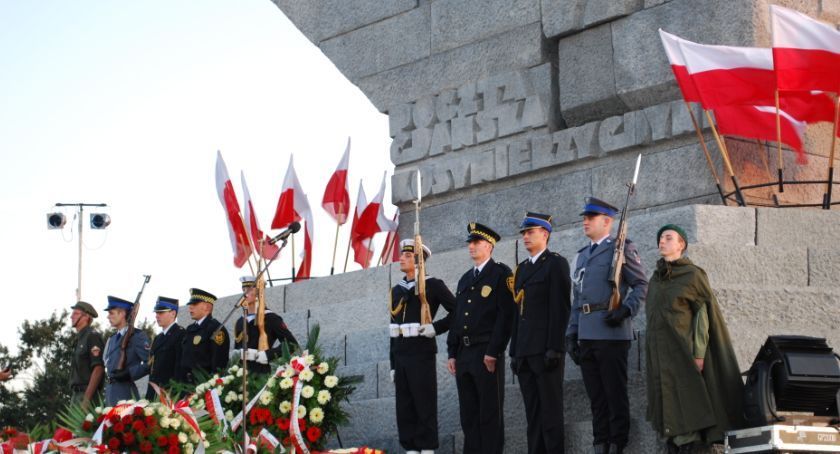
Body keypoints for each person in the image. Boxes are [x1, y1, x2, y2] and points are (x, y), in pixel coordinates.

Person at [645, 224, 743, 453]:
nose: (662, 241)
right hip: (660, 355)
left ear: (681, 245)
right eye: (660, 238)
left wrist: (699, 353)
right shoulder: (655, 279)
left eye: (668, 238)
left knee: (689, 405)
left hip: (684, 352)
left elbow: (703, 316)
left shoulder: (693, 275)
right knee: (668, 405)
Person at [565, 197, 648, 454]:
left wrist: (625, 310)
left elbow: (641, 284)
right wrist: (572, 333)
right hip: (587, 333)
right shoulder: (582, 256)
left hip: (611, 332)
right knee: (596, 398)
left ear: (607, 221)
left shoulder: (621, 248)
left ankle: (617, 443)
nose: (585, 222)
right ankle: (600, 442)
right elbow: (578, 297)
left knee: (614, 394)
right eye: (585, 218)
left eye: (591, 217)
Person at [446, 222, 515, 454]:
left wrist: (494, 350)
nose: (471, 247)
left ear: (489, 245)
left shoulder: (500, 273)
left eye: (476, 243)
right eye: (470, 243)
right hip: (465, 354)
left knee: (489, 414)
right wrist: (452, 352)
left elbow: (506, 316)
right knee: (469, 415)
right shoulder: (465, 279)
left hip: (486, 351)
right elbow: (457, 318)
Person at [509, 212, 571, 454]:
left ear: (545, 234)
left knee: (551, 414)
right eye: (524, 233)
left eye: (530, 232)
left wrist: (555, 347)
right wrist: (514, 351)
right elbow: (517, 313)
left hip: (545, 352)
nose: (525, 237)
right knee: (532, 415)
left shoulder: (555, 264)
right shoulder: (522, 269)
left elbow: (560, 308)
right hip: (525, 352)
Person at [389, 239, 455, 454]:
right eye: (402, 255)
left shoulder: (432, 284)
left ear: (420, 261)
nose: (402, 258)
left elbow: (457, 311)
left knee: (423, 400)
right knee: (404, 404)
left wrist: (435, 328)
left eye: (408, 256)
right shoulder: (396, 290)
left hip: (421, 349)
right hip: (401, 351)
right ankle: (410, 447)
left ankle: (426, 447)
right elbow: (393, 327)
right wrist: (392, 363)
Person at [234, 275, 298, 374]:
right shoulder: (240, 321)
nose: (245, 294)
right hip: (241, 374)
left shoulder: (271, 318)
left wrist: (267, 355)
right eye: (244, 290)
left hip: (260, 373)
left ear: (259, 292)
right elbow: (237, 347)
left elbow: (292, 344)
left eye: (250, 290)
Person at [102, 296, 150, 405]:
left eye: (111, 313)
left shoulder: (137, 336)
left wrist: (129, 373)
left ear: (122, 313)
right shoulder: (112, 339)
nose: (108, 317)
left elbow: (150, 362)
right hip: (110, 391)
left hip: (126, 392)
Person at [178, 288, 229, 384]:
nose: (190, 308)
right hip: (185, 386)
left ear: (207, 307)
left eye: (194, 304)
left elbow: (219, 364)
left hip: (203, 387)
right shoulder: (190, 328)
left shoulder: (216, 329)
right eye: (190, 305)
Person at [144, 296, 185, 400]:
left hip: (169, 394)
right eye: (156, 313)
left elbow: (179, 368)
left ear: (173, 313)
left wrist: (174, 395)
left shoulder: (181, 334)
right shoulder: (158, 338)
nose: (157, 316)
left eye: (161, 313)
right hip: (153, 393)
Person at [69, 301, 105, 407]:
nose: (71, 316)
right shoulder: (79, 339)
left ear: (86, 317)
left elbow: (98, 368)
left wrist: (86, 399)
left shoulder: (92, 336)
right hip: (76, 395)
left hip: (88, 396)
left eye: (76, 313)